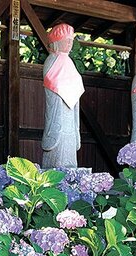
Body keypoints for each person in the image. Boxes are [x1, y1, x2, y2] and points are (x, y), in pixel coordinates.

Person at [40, 24, 84, 169]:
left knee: (69, 148)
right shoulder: (52, 60)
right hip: (59, 113)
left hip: (70, 115)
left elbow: (75, 86)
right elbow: (56, 85)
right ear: (57, 41)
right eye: (67, 40)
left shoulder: (68, 62)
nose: (70, 43)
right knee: (58, 156)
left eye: (71, 40)